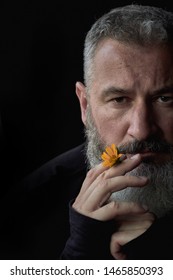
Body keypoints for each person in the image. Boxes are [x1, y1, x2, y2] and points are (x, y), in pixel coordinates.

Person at [1, 3, 173, 260]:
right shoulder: (22, 210)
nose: (141, 130)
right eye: (119, 100)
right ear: (85, 106)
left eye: (165, 99)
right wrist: (79, 256)